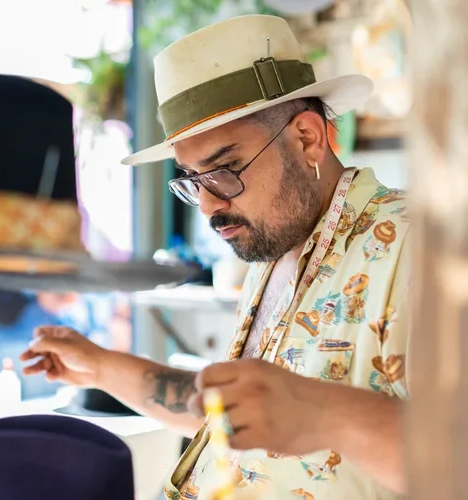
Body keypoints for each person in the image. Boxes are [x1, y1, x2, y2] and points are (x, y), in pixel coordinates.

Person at [21, 15, 409, 499]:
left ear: (307, 137)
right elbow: (240, 411)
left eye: (224, 170)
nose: (207, 205)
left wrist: (322, 412)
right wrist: (99, 367)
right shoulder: (275, 246)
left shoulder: (417, 249)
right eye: (191, 179)